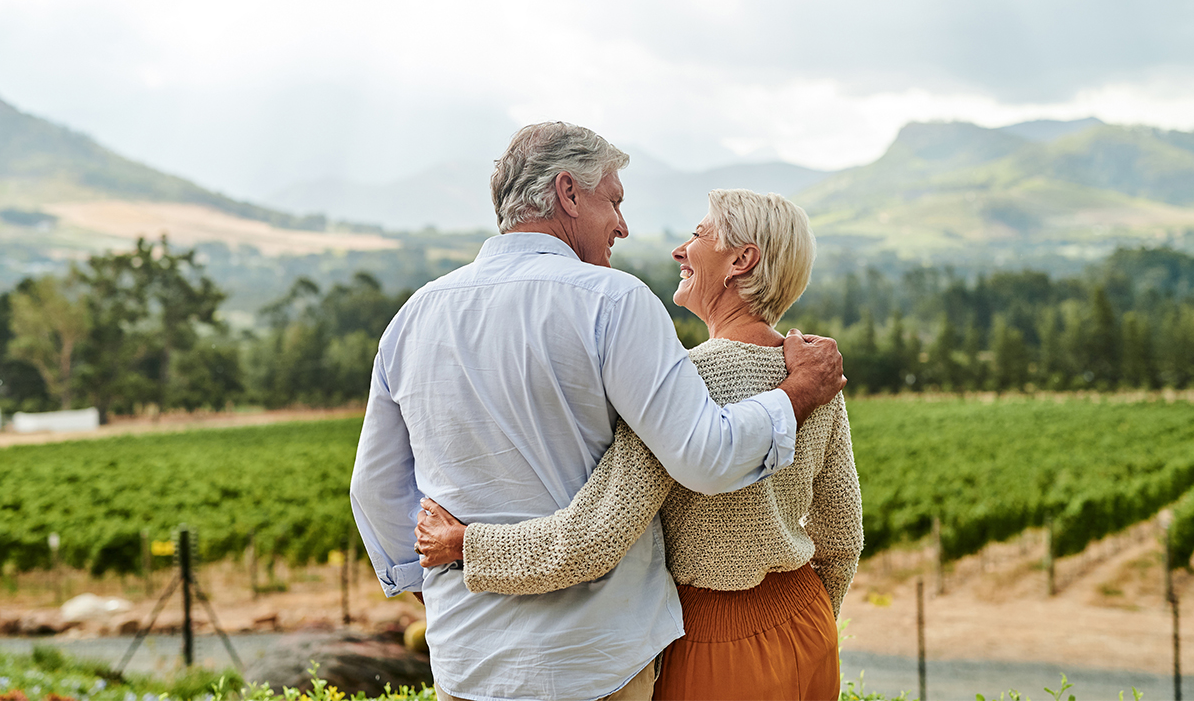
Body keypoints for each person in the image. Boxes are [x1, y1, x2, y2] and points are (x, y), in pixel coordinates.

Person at [350, 122, 847, 701]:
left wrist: (441, 583)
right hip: (602, 659)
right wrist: (797, 395)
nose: (624, 225)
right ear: (568, 192)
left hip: (469, 655)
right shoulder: (615, 302)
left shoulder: (412, 316)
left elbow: (374, 488)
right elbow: (712, 461)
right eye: (613, 201)